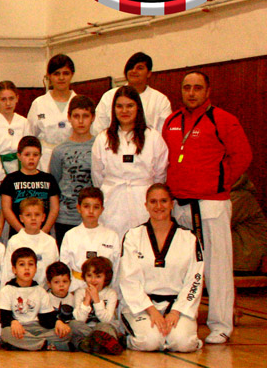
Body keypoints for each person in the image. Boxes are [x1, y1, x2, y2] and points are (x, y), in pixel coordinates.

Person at [161, 70, 251, 345]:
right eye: (187, 87)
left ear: (208, 91)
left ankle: (221, 325)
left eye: (197, 88)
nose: (191, 92)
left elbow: (243, 156)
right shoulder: (172, 121)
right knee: (183, 266)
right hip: (180, 204)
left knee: (217, 267)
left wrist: (218, 183)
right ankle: (184, 319)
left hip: (211, 204)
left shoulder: (223, 119)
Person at [119, 184, 204, 352]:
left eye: (164, 201)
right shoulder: (133, 236)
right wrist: (152, 311)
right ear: (146, 205)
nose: (159, 206)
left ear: (172, 204)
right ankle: (127, 339)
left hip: (177, 305)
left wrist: (176, 312)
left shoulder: (189, 238)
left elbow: (195, 279)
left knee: (183, 343)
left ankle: (176, 338)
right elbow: (128, 279)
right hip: (143, 306)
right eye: (153, 202)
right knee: (149, 342)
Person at [91, 85, 168, 240]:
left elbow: (160, 174)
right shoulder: (103, 138)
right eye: (119, 106)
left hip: (143, 200)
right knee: (113, 242)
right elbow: (97, 175)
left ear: (138, 107)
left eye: (129, 106)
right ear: (113, 109)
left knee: (144, 242)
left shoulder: (153, 137)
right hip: (112, 200)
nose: (124, 111)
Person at [50, 95, 97, 242]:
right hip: (66, 217)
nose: (81, 121)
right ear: (69, 117)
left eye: (85, 116)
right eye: (76, 116)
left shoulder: (100, 147)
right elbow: (54, 184)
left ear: (93, 117)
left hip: (93, 215)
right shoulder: (59, 150)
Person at [0, 247, 64, 351]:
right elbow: (4, 317)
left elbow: (47, 318)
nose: (27, 268)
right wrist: (13, 322)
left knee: (66, 333)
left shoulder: (40, 291)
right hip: (19, 328)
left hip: (37, 328)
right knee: (6, 333)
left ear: (36, 268)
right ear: (14, 269)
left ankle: (28, 344)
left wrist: (58, 322)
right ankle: (45, 345)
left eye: (31, 264)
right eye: (22, 264)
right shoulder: (7, 290)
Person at [92, 52, 173, 136]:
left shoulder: (160, 100)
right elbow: (98, 129)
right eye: (131, 67)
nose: (134, 71)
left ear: (149, 73)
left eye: (139, 68)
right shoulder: (109, 96)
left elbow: (164, 132)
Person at [58, 187, 120, 292]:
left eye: (96, 207)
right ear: (79, 208)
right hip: (76, 288)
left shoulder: (112, 236)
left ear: (102, 210)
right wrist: (70, 290)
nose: (91, 211)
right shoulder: (70, 235)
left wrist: (112, 291)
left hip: (104, 290)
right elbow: (65, 267)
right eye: (86, 206)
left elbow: (116, 268)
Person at [28, 54, 77, 171]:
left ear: (72, 75)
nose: (61, 78)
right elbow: (30, 136)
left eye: (66, 73)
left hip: (73, 156)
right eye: (56, 74)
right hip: (45, 159)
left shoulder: (79, 102)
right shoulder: (39, 103)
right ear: (49, 76)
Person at [69, 257, 124, 355]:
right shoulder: (80, 292)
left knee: (104, 326)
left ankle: (87, 343)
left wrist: (96, 299)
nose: (93, 280)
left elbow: (106, 319)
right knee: (73, 324)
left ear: (106, 277)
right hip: (86, 328)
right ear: (84, 277)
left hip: (103, 328)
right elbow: (79, 319)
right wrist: (87, 300)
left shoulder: (111, 294)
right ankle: (96, 343)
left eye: (98, 276)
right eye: (89, 275)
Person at [0, 81, 29, 180]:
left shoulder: (23, 122)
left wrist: (24, 173)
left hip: (21, 169)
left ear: (17, 98)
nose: (8, 103)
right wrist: (1, 177)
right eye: (3, 99)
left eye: (11, 98)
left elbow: (28, 150)